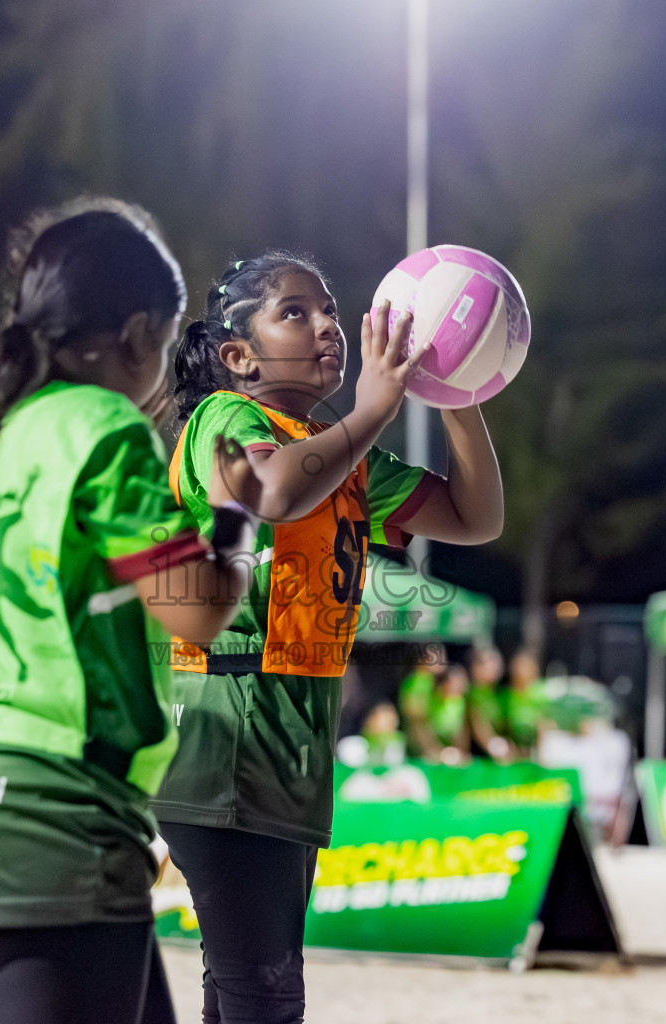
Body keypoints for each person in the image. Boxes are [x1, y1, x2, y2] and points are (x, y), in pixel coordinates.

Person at [0, 199, 260, 1024]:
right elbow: (198, 612)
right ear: (141, 332)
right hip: (45, 809)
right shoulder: (100, 427)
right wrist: (237, 515)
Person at [153, 253, 504, 1023]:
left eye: (331, 310)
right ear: (237, 357)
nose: (328, 327)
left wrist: (459, 390)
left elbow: (476, 517)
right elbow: (272, 491)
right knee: (263, 997)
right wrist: (374, 409)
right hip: (222, 741)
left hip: (290, 746)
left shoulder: (342, 456)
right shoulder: (224, 419)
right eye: (295, 311)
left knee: (243, 994)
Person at [466, 646, 511, 762]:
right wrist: (496, 748)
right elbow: (479, 729)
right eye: (489, 662)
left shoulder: (501, 695)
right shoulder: (471, 695)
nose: (495, 666)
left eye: (497, 662)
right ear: (475, 667)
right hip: (477, 760)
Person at [428, 664, 471, 765]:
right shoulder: (433, 701)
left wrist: (461, 752)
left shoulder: (461, 702)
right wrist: (436, 750)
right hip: (433, 750)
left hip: (453, 752)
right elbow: (426, 728)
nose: (458, 686)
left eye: (461, 682)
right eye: (454, 682)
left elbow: (462, 731)